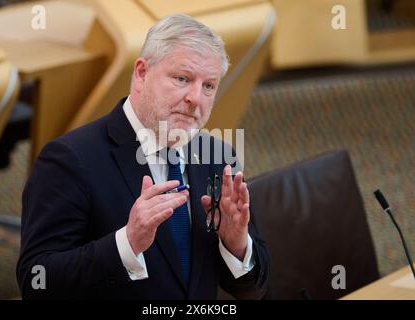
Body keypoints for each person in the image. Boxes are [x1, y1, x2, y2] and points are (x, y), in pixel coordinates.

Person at [17, 13, 269, 299]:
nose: (195, 98)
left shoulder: (217, 157)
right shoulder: (69, 159)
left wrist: (235, 246)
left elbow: (253, 290)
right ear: (141, 73)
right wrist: (127, 243)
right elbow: (36, 282)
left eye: (208, 86)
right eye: (182, 78)